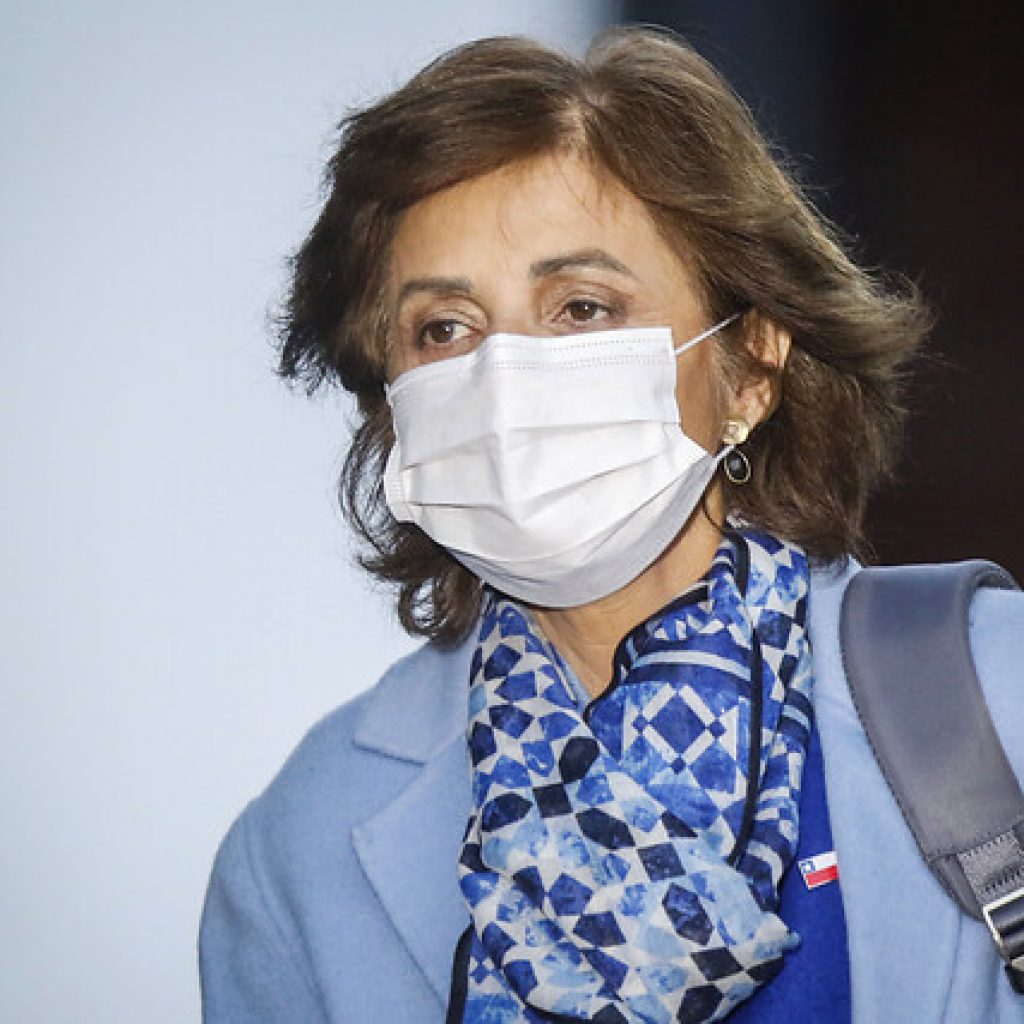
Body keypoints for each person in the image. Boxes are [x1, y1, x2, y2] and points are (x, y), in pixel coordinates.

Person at [198, 28, 1024, 1024]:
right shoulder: (299, 851)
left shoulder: (994, 700)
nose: (503, 378)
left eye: (582, 307)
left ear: (751, 369)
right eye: (444, 328)